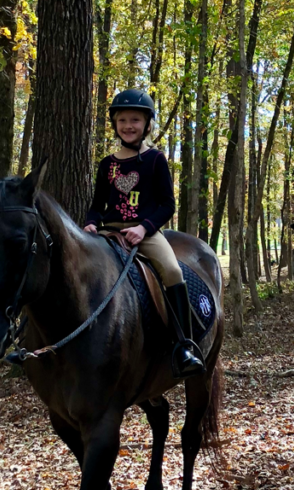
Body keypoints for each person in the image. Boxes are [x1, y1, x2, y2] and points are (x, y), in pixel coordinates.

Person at [84, 89, 205, 379]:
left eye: (135, 120)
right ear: (114, 124)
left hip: (146, 233)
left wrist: (143, 227)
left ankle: (184, 345)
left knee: (172, 271)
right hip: (109, 232)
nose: (128, 125)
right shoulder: (107, 164)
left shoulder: (155, 160)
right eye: (122, 119)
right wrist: (90, 222)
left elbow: (168, 205)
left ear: (147, 124)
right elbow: (97, 205)